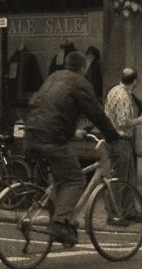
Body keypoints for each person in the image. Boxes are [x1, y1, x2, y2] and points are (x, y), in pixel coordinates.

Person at [22, 48, 121, 246]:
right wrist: (113, 135)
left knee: (61, 179)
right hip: (51, 138)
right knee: (76, 179)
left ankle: (60, 222)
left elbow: (48, 109)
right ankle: (60, 223)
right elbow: (95, 112)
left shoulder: (53, 77)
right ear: (83, 67)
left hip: (31, 133)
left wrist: (72, 133)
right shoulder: (79, 82)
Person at [103, 68, 142, 190]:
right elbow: (123, 122)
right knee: (122, 179)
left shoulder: (113, 91)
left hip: (112, 138)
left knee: (125, 176)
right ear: (134, 82)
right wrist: (140, 121)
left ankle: (127, 208)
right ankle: (116, 207)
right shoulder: (124, 96)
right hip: (121, 140)